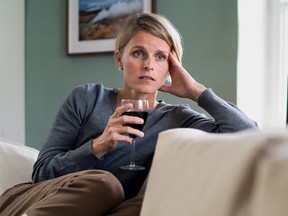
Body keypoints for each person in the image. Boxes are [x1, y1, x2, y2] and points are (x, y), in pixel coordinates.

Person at [0, 13, 257, 216]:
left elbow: (248, 135)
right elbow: (41, 173)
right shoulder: (87, 98)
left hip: (112, 209)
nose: (148, 64)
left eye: (160, 57)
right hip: (38, 201)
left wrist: (196, 91)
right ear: (119, 59)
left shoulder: (179, 118)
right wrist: (98, 146)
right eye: (138, 53)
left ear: (171, 67)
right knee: (105, 184)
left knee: (143, 206)